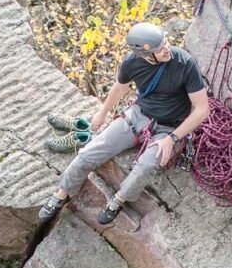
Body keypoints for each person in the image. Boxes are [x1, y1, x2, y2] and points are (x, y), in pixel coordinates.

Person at [38, 22, 210, 227]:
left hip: (170, 126)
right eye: (160, 49)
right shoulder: (132, 63)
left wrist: (171, 139)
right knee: (88, 153)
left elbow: (202, 109)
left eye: (166, 43)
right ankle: (62, 193)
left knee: (145, 167)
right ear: (146, 55)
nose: (167, 50)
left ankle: (119, 199)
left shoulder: (184, 63)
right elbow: (119, 88)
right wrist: (101, 115)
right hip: (138, 114)